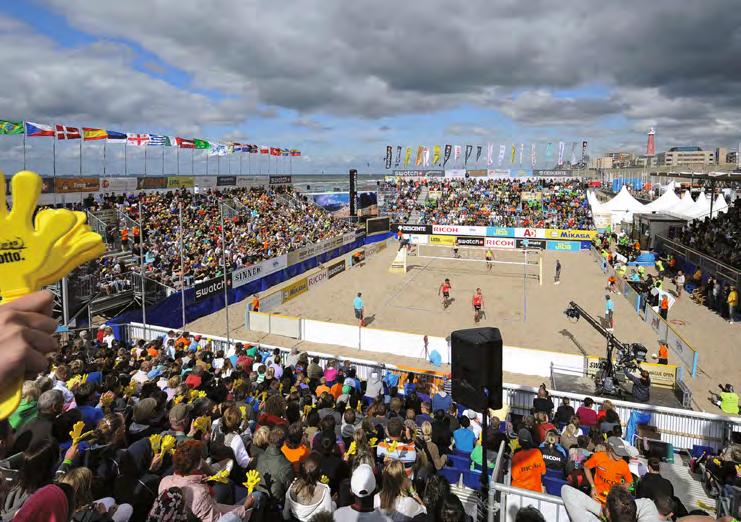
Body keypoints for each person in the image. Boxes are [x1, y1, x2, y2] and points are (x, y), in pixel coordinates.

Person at [158, 440, 252, 521]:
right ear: (198, 464)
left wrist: (202, 479)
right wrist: (245, 507)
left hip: (206, 508)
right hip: (216, 513)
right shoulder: (200, 494)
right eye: (200, 458)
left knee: (227, 485)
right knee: (257, 497)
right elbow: (218, 520)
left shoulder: (164, 481)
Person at [561, 484, 661, 522]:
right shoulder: (645, 511)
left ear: (608, 513)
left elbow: (567, 491)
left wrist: (605, 510)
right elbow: (647, 503)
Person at [282, 453, 334, 522]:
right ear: (320, 471)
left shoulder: (293, 485)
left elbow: (286, 515)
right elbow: (328, 517)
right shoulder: (324, 492)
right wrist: (334, 503)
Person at [583, 437, 633, 504]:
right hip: (597, 497)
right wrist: (592, 486)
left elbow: (629, 481)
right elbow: (586, 467)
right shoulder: (598, 457)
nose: (621, 456)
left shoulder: (624, 464)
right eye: (618, 453)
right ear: (610, 450)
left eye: (622, 453)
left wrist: (621, 490)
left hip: (613, 500)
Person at [510, 429, 546, 493]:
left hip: (519, 492)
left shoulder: (517, 456)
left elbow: (514, 476)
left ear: (519, 441)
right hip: (535, 492)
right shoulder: (537, 452)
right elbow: (543, 472)